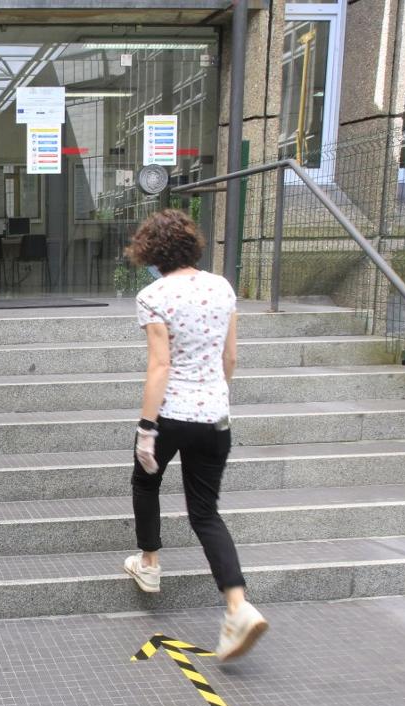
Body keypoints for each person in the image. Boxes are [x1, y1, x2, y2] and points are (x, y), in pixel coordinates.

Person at [120, 209, 267, 662]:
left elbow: (160, 365)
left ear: (150, 251)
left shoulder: (153, 294)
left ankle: (149, 563)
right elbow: (231, 357)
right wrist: (215, 397)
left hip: (171, 416)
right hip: (214, 415)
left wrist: (147, 428)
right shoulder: (221, 287)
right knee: (206, 513)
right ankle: (238, 606)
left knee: (146, 480)